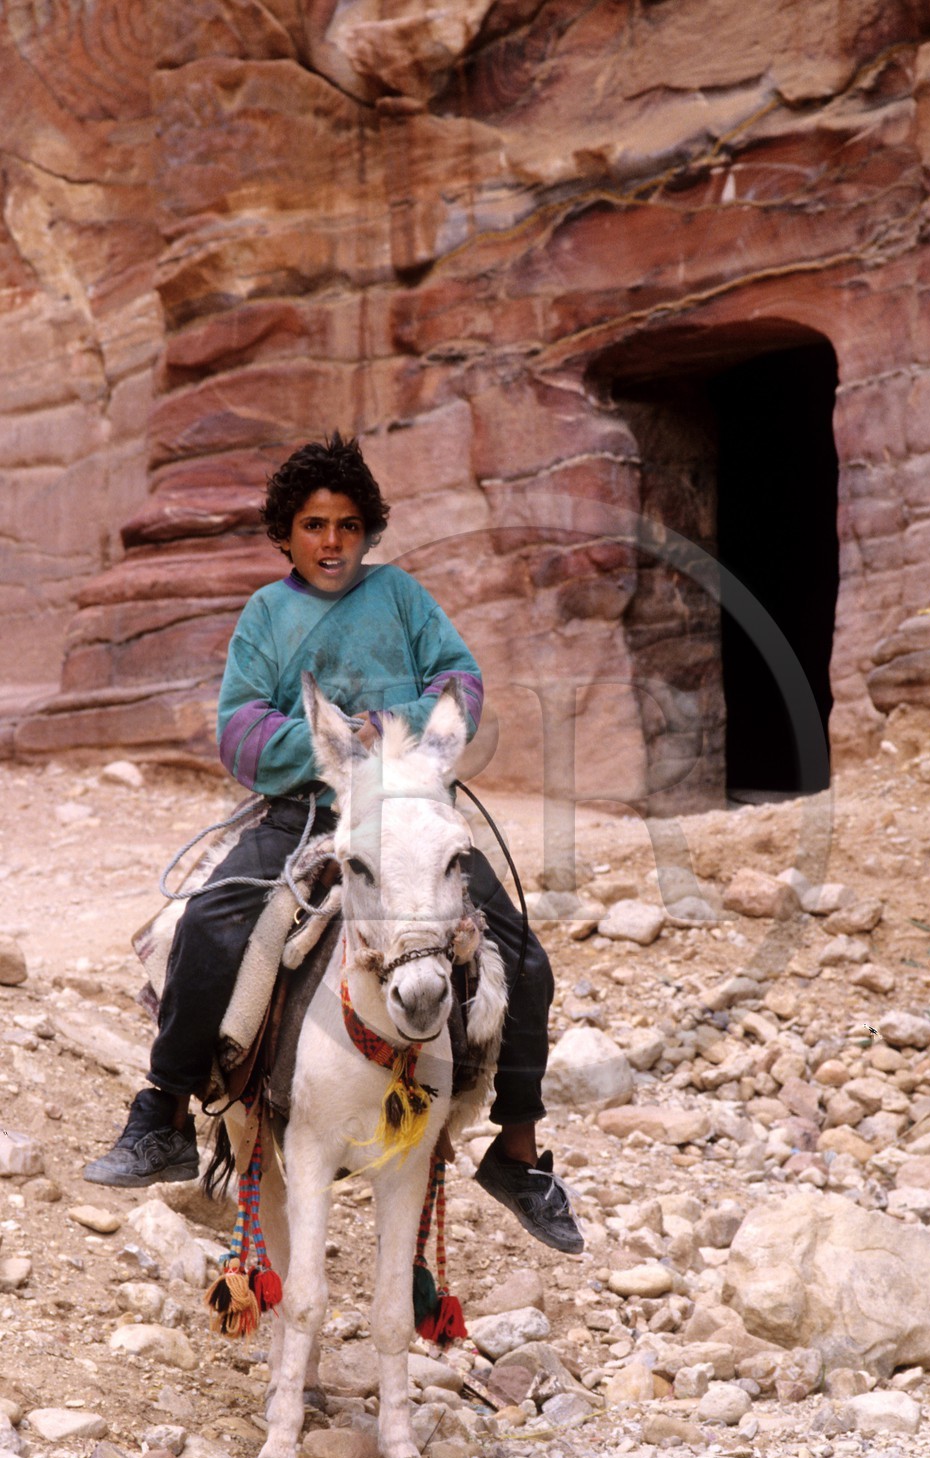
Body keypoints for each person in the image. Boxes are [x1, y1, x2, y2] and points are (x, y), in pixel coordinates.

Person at [83, 434, 583, 1254]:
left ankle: (518, 1151)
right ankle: (164, 1110)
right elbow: (239, 729)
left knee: (522, 956)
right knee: (210, 925)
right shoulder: (265, 616)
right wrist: (328, 750)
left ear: (368, 532)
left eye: (348, 526)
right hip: (303, 818)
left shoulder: (402, 598)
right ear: (286, 533)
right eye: (314, 525)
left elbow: (460, 684)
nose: (331, 542)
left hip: (406, 814)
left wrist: (386, 732)